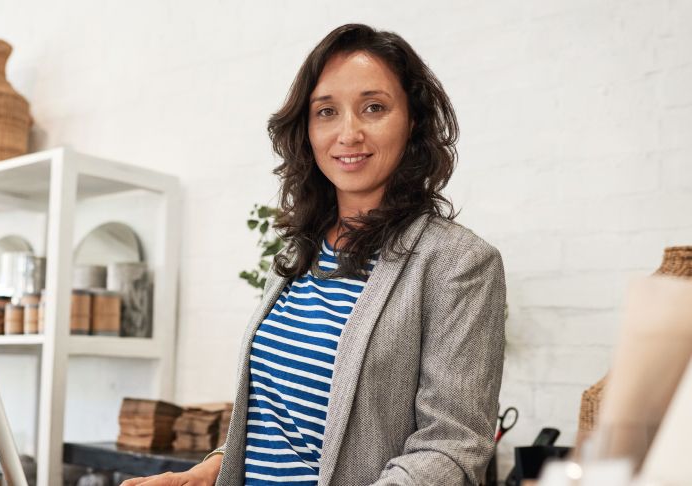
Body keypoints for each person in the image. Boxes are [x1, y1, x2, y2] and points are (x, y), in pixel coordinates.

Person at [122, 23, 506, 486]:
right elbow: (277, 420)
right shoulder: (296, 253)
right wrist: (210, 471)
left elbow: (451, 447)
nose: (349, 133)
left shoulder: (458, 263)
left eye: (374, 107)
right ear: (306, 129)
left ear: (413, 122)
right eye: (326, 111)